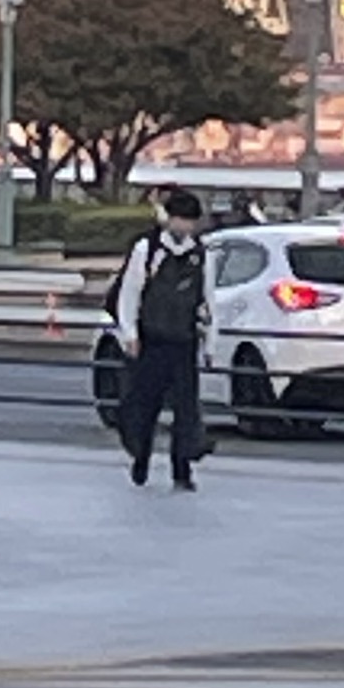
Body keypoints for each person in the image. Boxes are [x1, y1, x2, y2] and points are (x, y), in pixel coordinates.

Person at [114, 187, 209, 491]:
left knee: (186, 409)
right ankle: (140, 458)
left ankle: (182, 469)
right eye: (181, 219)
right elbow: (129, 293)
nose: (185, 227)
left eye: (190, 221)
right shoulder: (147, 249)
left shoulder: (200, 253)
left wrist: (209, 341)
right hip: (151, 339)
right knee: (145, 405)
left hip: (184, 339)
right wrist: (130, 333)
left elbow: (207, 299)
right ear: (170, 218)